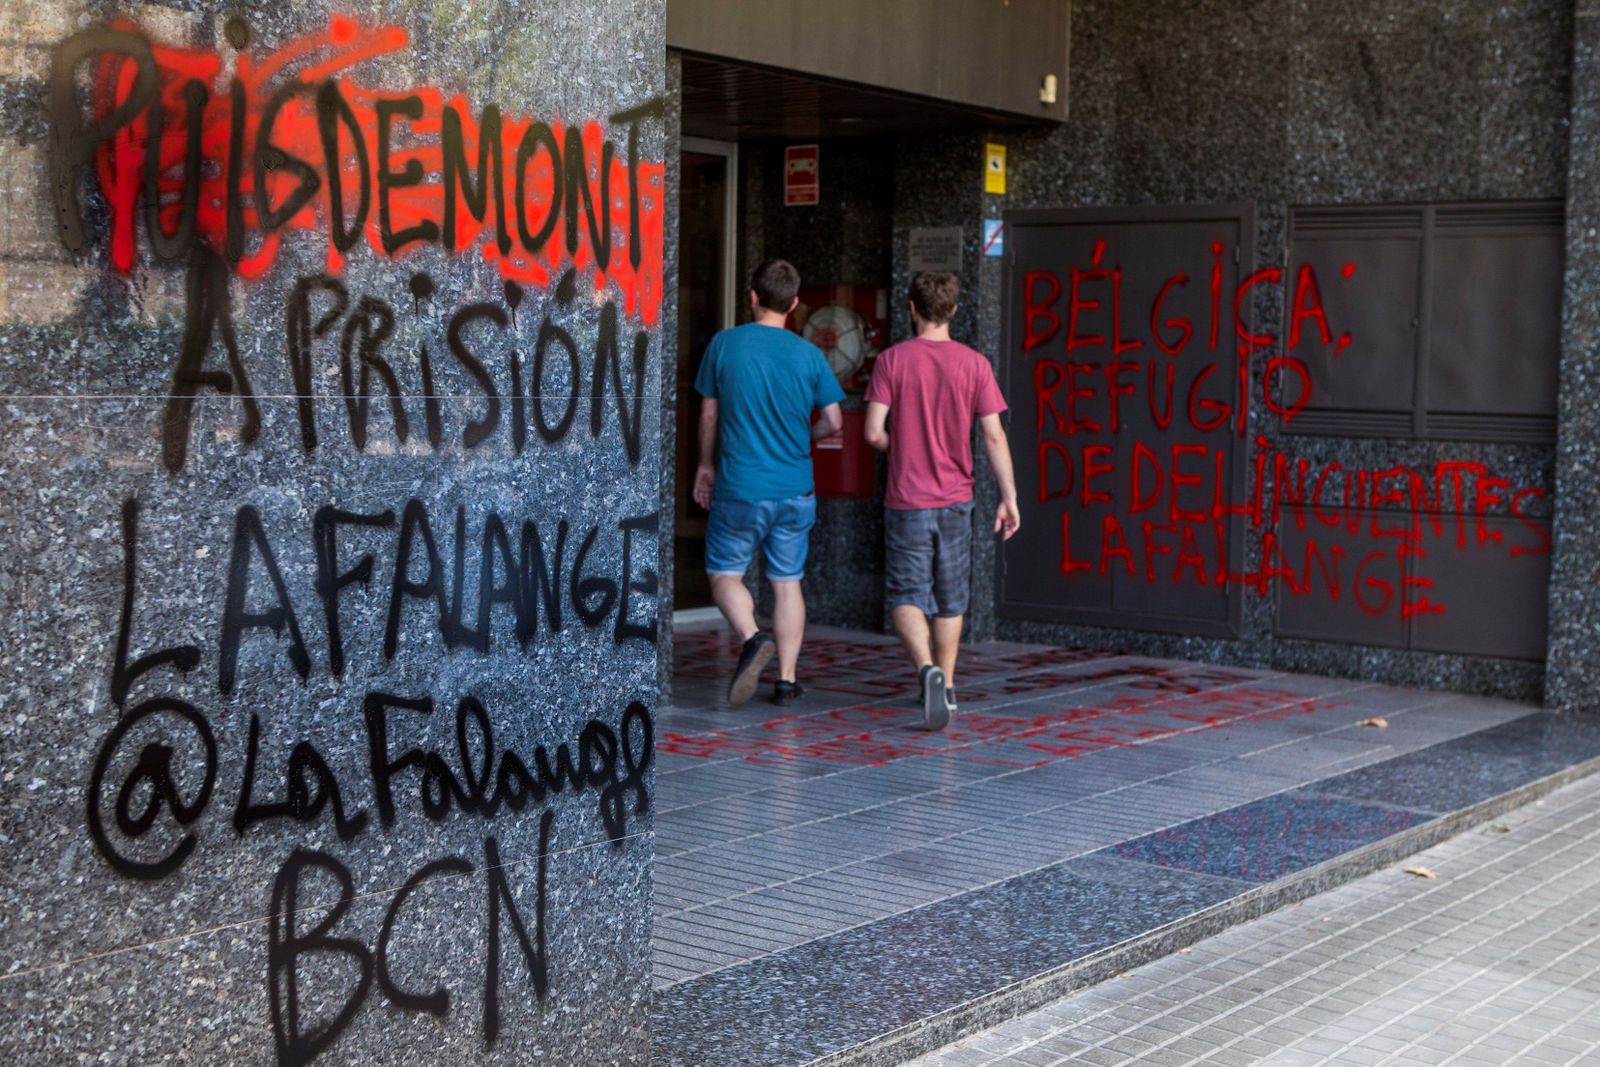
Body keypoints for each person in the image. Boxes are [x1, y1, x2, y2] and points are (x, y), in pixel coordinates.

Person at [864, 271, 1020, 730]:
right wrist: (1009, 498)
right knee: (951, 598)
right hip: (957, 501)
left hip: (908, 500)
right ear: (953, 310)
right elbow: (993, 435)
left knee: (907, 594)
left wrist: (904, 446)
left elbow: (873, 432)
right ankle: (947, 685)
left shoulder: (892, 361)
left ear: (911, 306)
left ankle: (925, 670)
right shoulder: (974, 365)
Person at [693, 259, 845, 706]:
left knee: (724, 574)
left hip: (740, 486)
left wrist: (705, 465)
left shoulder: (725, 345)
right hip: (795, 489)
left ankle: (752, 637)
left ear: (752, 297)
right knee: (787, 582)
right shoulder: (809, 355)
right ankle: (787, 679)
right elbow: (834, 421)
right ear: (794, 304)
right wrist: (806, 435)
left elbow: (708, 414)